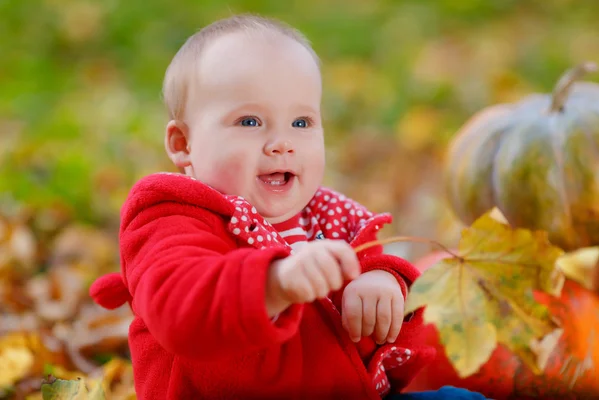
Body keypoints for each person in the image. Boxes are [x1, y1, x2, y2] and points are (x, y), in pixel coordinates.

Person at [90, 13, 488, 400]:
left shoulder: (330, 218)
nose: (282, 142)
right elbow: (179, 310)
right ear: (183, 144)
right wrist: (274, 284)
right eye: (249, 122)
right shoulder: (170, 214)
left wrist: (384, 285)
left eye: (301, 123)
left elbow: (376, 298)